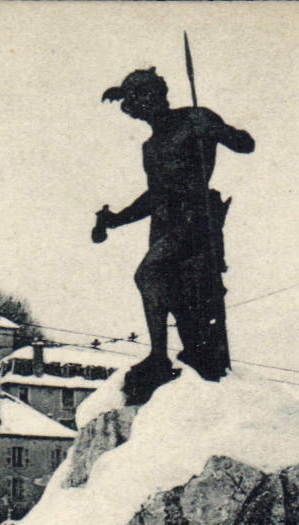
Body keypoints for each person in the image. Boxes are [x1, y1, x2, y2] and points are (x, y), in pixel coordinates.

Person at [93, 67, 254, 404]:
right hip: (166, 224)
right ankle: (174, 356)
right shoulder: (150, 147)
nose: (145, 105)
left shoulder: (195, 118)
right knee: (177, 296)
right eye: (138, 102)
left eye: (149, 95)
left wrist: (216, 130)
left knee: (148, 274)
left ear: (160, 94)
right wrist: (116, 219)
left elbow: (245, 145)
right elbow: (155, 195)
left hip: (195, 220)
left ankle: (158, 355)